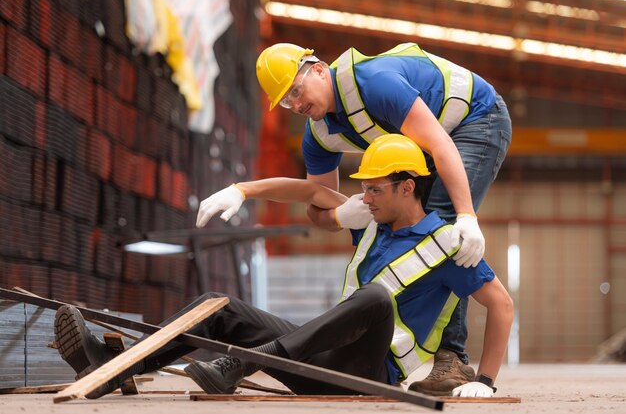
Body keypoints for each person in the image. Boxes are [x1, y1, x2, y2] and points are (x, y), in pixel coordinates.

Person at [55, 135, 513, 399]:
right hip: (321, 362)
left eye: (374, 189)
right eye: (364, 189)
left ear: (407, 187)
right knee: (220, 307)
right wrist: (243, 191)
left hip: (369, 376)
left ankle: (239, 366)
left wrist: (487, 383)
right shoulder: (372, 223)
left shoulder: (447, 245)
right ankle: (111, 364)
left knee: (374, 298)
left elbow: (502, 306)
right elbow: (309, 192)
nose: (364, 198)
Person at [253, 42, 513, 394]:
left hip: (476, 120)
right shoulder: (318, 135)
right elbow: (317, 204)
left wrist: (465, 216)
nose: (296, 104)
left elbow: (441, 145)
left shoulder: (375, 83)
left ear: (317, 69)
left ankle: (452, 357)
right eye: (286, 101)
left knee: (442, 232)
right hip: (431, 141)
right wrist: (339, 214)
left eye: (296, 91)